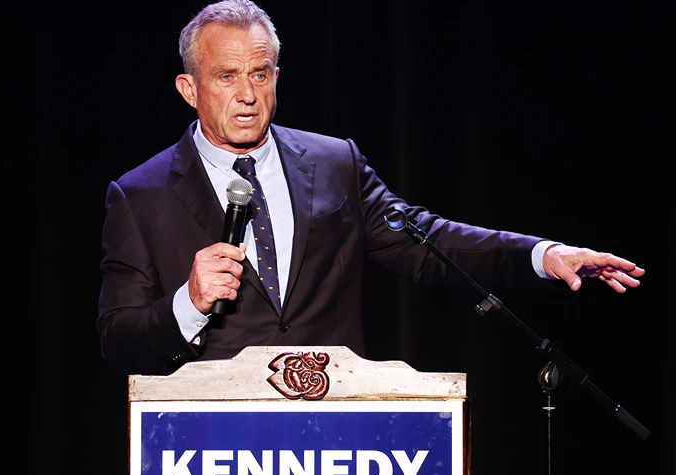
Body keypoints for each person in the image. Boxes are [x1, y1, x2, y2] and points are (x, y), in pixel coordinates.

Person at [96, 0, 644, 376]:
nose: (246, 94)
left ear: (276, 79)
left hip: (340, 434)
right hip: (214, 444)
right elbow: (117, 340)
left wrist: (544, 256)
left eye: (260, 74)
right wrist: (187, 304)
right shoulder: (140, 197)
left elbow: (429, 244)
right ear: (189, 88)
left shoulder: (334, 163)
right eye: (226, 77)